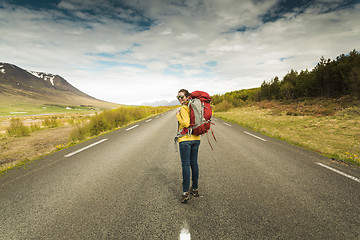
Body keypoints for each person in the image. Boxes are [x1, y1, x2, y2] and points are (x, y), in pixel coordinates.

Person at [176, 89, 201, 203]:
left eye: (181, 97)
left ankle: (185, 192)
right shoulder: (195, 106)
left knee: (186, 165)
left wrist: (178, 116)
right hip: (196, 138)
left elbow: (186, 123)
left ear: (187, 97)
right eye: (178, 97)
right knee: (194, 163)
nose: (180, 99)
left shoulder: (184, 108)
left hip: (185, 140)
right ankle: (194, 189)